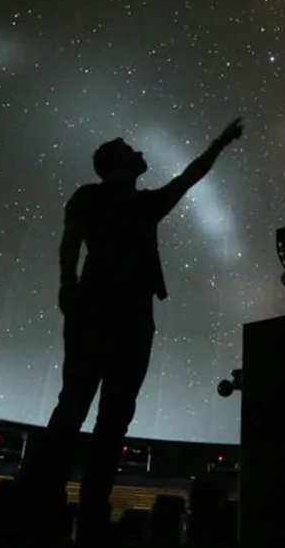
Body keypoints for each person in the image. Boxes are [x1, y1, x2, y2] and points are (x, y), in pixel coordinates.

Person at [23, 117, 244, 543]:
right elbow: (71, 241)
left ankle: (85, 511)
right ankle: (45, 503)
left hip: (129, 319)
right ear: (114, 164)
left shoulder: (143, 204)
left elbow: (189, 176)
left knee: (110, 418)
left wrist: (219, 142)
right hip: (101, 313)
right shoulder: (92, 197)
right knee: (77, 408)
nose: (138, 150)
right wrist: (68, 286)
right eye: (129, 148)